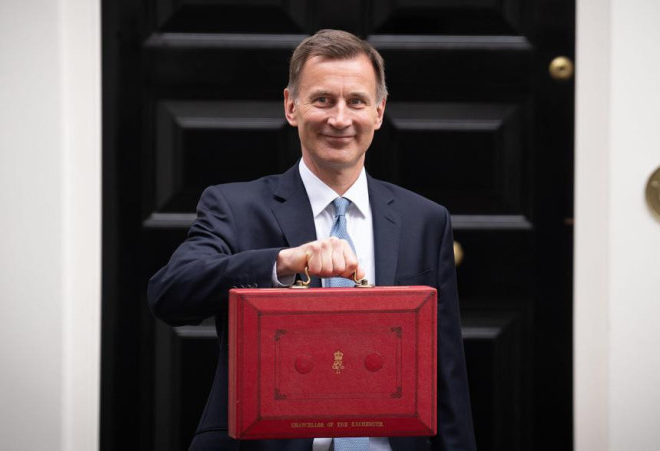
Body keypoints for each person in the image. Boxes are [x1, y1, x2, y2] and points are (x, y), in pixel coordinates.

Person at [148, 29, 476, 451]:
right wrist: (282, 263)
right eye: (322, 100)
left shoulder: (425, 219)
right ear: (291, 107)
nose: (340, 119)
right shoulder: (234, 205)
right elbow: (169, 294)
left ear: (379, 111)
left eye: (356, 101)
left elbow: (444, 368)